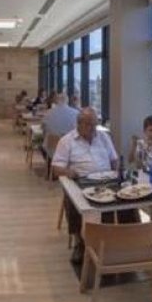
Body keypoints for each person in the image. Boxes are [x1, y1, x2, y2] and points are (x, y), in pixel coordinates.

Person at [52, 108, 120, 263]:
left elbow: (114, 159)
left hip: (106, 180)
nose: (93, 129)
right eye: (89, 125)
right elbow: (56, 168)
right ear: (79, 124)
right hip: (80, 181)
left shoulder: (103, 137)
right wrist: (69, 172)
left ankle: (113, 240)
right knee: (72, 199)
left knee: (124, 201)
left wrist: (116, 171)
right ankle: (79, 243)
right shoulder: (67, 141)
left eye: (95, 125)